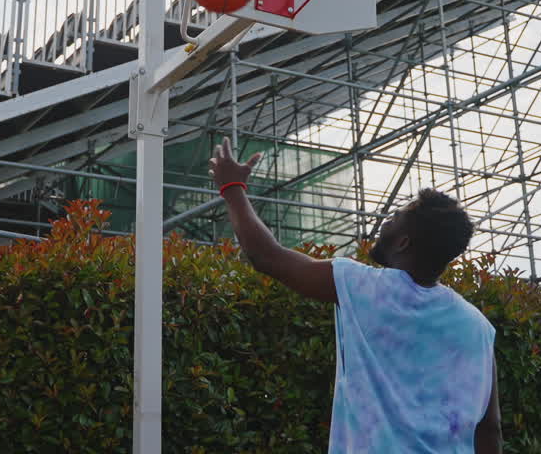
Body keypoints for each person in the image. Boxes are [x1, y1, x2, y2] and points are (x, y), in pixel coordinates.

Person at [209, 138, 501, 453]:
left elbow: (266, 256)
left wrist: (232, 187)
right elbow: (490, 427)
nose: (384, 223)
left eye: (393, 220)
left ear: (403, 242)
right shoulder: (477, 326)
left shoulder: (362, 287)